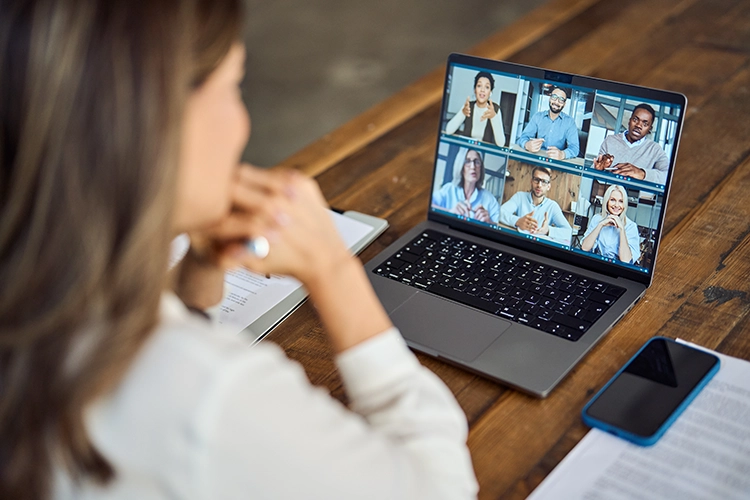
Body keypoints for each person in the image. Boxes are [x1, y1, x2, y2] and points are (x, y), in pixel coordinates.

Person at [0, 2, 478, 499]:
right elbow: (440, 488)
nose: (243, 123)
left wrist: (197, 273)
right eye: (233, 86)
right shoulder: (208, 393)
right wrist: (333, 268)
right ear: (156, 122)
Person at [592, 103, 669, 184]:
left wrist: (642, 173)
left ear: (650, 129)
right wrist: (599, 169)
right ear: (629, 121)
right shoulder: (610, 141)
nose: (638, 125)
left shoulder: (655, 149)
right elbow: (595, 170)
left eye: (645, 124)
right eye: (635, 120)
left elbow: (667, 176)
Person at [499, 166, 572, 242]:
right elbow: (500, 212)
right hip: (518, 241)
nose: (539, 185)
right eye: (536, 180)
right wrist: (518, 221)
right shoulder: (519, 196)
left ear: (548, 186)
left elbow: (568, 233)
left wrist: (548, 230)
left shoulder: (552, 206)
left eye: (544, 182)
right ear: (531, 181)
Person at [432, 149, 501, 223]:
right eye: (467, 161)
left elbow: (500, 227)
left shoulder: (489, 199)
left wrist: (489, 222)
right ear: (461, 167)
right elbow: (429, 204)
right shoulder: (449, 189)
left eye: (477, 162)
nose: (473, 167)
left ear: (481, 168)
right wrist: (449, 212)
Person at [580, 185, 641, 264]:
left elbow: (626, 260)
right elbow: (585, 248)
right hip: (596, 264)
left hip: (617, 269)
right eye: (612, 200)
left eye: (621, 201)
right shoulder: (597, 219)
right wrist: (600, 225)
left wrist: (622, 229)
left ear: (624, 204)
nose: (616, 205)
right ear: (607, 201)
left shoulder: (631, 226)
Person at [445, 71, 507, 147]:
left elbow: (501, 143)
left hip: (484, 152)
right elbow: (448, 131)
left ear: (490, 92)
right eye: (479, 86)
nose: (482, 90)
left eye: (487, 87)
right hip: (466, 149)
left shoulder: (495, 109)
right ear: (475, 90)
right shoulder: (468, 106)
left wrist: (493, 117)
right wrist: (462, 113)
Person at [517, 87, 580, 160]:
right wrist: (527, 145)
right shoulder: (537, 117)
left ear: (564, 104)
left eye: (561, 100)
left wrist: (562, 154)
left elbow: (575, 149)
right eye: (554, 97)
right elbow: (523, 137)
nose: (556, 102)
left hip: (556, 161)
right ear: (549, 98)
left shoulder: (570, 122)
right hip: (536, 158)